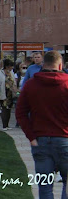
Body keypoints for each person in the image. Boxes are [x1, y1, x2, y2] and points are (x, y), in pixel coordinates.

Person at [16, 51, 68, 199]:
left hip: (40, 140)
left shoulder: (31, 84)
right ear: (60, 65)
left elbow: (20, 113)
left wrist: (31, 137)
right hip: (65, 138)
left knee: (45, 187)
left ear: (43, 64)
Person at [0, 59, 18, 131]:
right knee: (4, 108)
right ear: (7, 66)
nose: (11, 68)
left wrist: (15, 89)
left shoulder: (11, 72)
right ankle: (4, 125)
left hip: (10, 93)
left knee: (9, 109)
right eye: (10, 66)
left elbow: (14, 82)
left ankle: (7, 124)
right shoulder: (0, 73)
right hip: (4, 92)